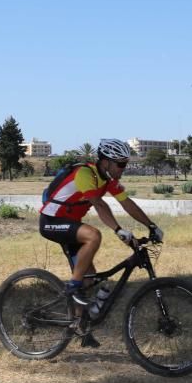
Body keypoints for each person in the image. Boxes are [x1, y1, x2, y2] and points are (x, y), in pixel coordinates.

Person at [39, 139, 164, 342]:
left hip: (71, 225)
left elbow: (127, 203)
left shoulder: (108, 180)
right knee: (94, 236)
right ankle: (72, 285)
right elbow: (98, 203)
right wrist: (118, 230)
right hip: (51, 221)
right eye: (120, 164)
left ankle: (81, 328)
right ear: (106, 162)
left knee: (89, 278)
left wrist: (151, 226)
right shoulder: (85, 174)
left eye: (126, 164)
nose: (124, 168)